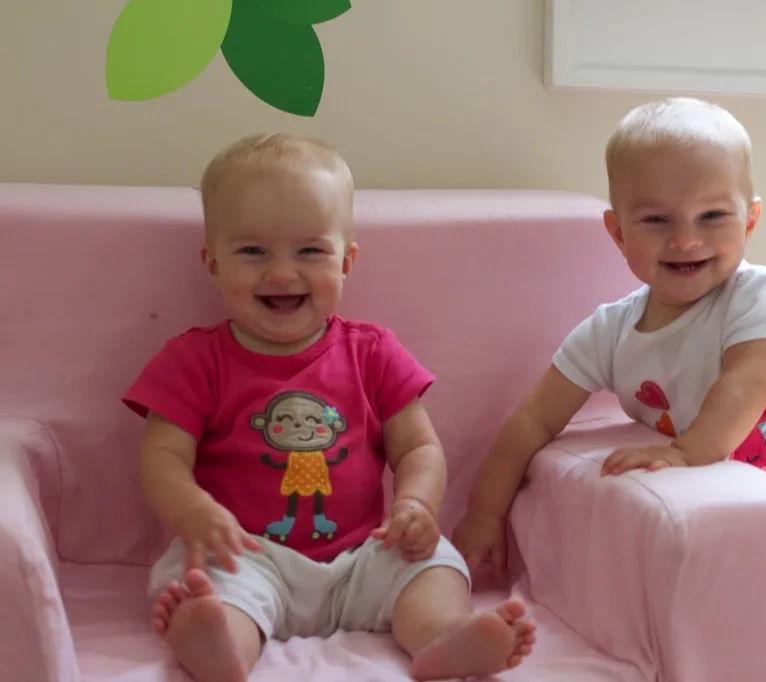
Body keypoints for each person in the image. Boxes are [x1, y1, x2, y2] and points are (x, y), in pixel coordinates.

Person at [452, 97, 766, 681]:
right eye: (657, 220)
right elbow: (533, 420)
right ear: (617, 231)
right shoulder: (610, 331)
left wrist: (684, 453)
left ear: (750, 220)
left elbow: (747, 383)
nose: (685, 239)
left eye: (712, 216)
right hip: (715, 514)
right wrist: (484, 512)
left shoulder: (758, 296)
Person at [122, 133, 535, 682]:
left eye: (310, 251)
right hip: (245, 554)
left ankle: (441, 636)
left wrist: (416, 505)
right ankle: (219, 644)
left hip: (362, 558)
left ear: (346, 261)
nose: (282, 273)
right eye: (253, 251)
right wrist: (191, 511)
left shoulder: (373, 352)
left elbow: (418, 446)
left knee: (432, 563)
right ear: (213, 264)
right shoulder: (193, 361)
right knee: (202, 578)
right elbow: (162, 457)